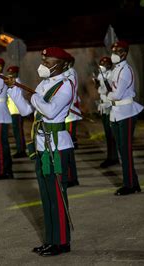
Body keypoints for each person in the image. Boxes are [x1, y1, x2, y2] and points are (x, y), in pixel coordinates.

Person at [7, 47, 74, 256]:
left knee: (57, 195)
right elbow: (28, 111)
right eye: (43, 61)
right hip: (42, 146)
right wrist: (14, 91)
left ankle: (62, 241)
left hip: (57, 146)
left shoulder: (65, 85)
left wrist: (34, 96)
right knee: (46, 196)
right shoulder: (45, 84)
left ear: (61, 64)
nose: (43, 65)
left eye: (47, 62)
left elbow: (51, 111)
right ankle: (51, 240)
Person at [108, 41, 144, 196]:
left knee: (125, 150)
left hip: (126, 112)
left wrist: (107, 96)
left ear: (125, 53)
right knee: (122, 149)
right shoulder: (116, 69)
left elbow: (117, 94)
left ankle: (128, 184)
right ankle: (133, 183)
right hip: (116, 112)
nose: (115, 54)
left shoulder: (126, 70)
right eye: (114, 51)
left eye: (119, 51)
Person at [96, 56, 119, 168]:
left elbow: (106, 89)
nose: (101, 66)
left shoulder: (110, 74)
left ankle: (113, 157)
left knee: (111, 133)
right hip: (103, 106)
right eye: (100, 63)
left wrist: (99, 86)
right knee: (107, 133)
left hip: (110, 106)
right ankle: (111, 156)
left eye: (103, 63)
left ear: (109, 65)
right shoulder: (101, 74)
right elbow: (101, 90)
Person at [62, 57, 80, 187]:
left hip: (69, 114)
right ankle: (70, 177)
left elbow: (69, 94)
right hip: (65, 114)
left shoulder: (70, 74)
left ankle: (71, 178)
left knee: (67, 148)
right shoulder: (65, 74)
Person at [6, 66, 27, 158]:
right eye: (9, 73)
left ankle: (21, 150)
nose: (10, 75)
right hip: (13, 111)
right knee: (16, 131)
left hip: (17, 111)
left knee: (18, 132)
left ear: (16, 73)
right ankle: (20, 149)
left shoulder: (17, 83)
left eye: (12, 73)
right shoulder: (14, 82)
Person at [64, 57, 82, 149]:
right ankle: (72, 142)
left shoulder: (70, 72)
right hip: (69, 101)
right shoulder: (68, 72)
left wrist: (72, 101)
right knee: (68, 124)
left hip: (70, 101)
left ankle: (72, 143)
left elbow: (72, 88)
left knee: (70, 124)